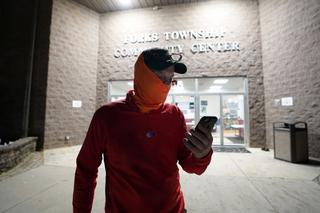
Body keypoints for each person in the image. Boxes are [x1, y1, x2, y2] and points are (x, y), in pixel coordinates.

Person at [73, 48, 213, 213]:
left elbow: (192, 167)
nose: (166, 85)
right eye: (160, 77)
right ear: (142, 76)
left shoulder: (174, 115)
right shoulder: (107, 116)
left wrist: (202, 154)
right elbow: (85, 169)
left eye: (170, 79)